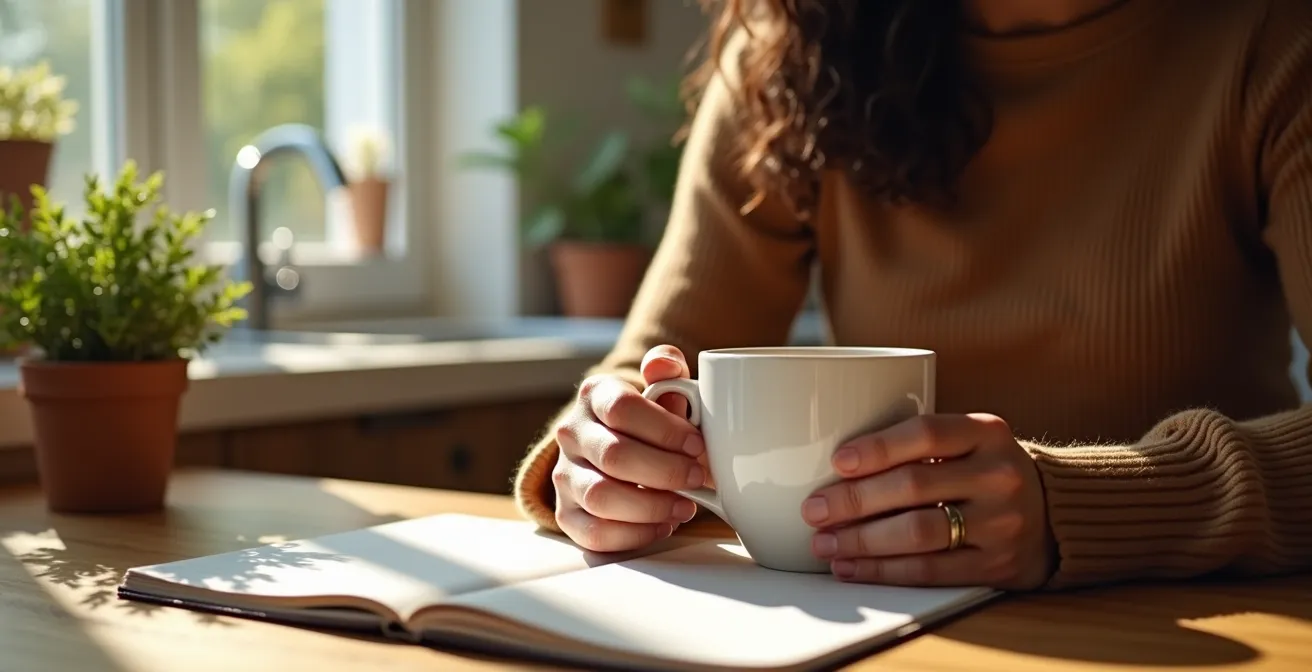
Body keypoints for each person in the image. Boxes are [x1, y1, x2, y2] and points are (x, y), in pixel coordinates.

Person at [512, 0, 1312, 591]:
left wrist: (1081, 508)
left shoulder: (1273, 41)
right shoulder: (792, 50)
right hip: (874, 625)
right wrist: (605, 459)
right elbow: (648, 378)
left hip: (1195, 617)